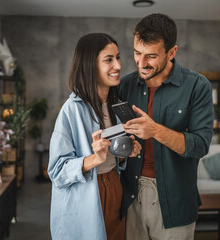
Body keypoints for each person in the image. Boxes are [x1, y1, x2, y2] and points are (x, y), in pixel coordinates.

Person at [118, 13, 214, 240]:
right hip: (129, 195)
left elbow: (200, 145)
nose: (141, 63)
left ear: (172, 52)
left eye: (151, 56)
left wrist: (155, 131)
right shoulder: (124, 85)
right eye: (137, 53)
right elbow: (116, 134)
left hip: (176, 198)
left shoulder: (197, 86)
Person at [48, 33, 141, 240]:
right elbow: (57, 172)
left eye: (118, 58)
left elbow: (113, 156)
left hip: (114, 187)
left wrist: (127, 152)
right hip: (85, 196)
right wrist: (94, 160)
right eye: (109, 60)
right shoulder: (71, 110)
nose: (118, 65)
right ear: (90, 65)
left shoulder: (116, 104)